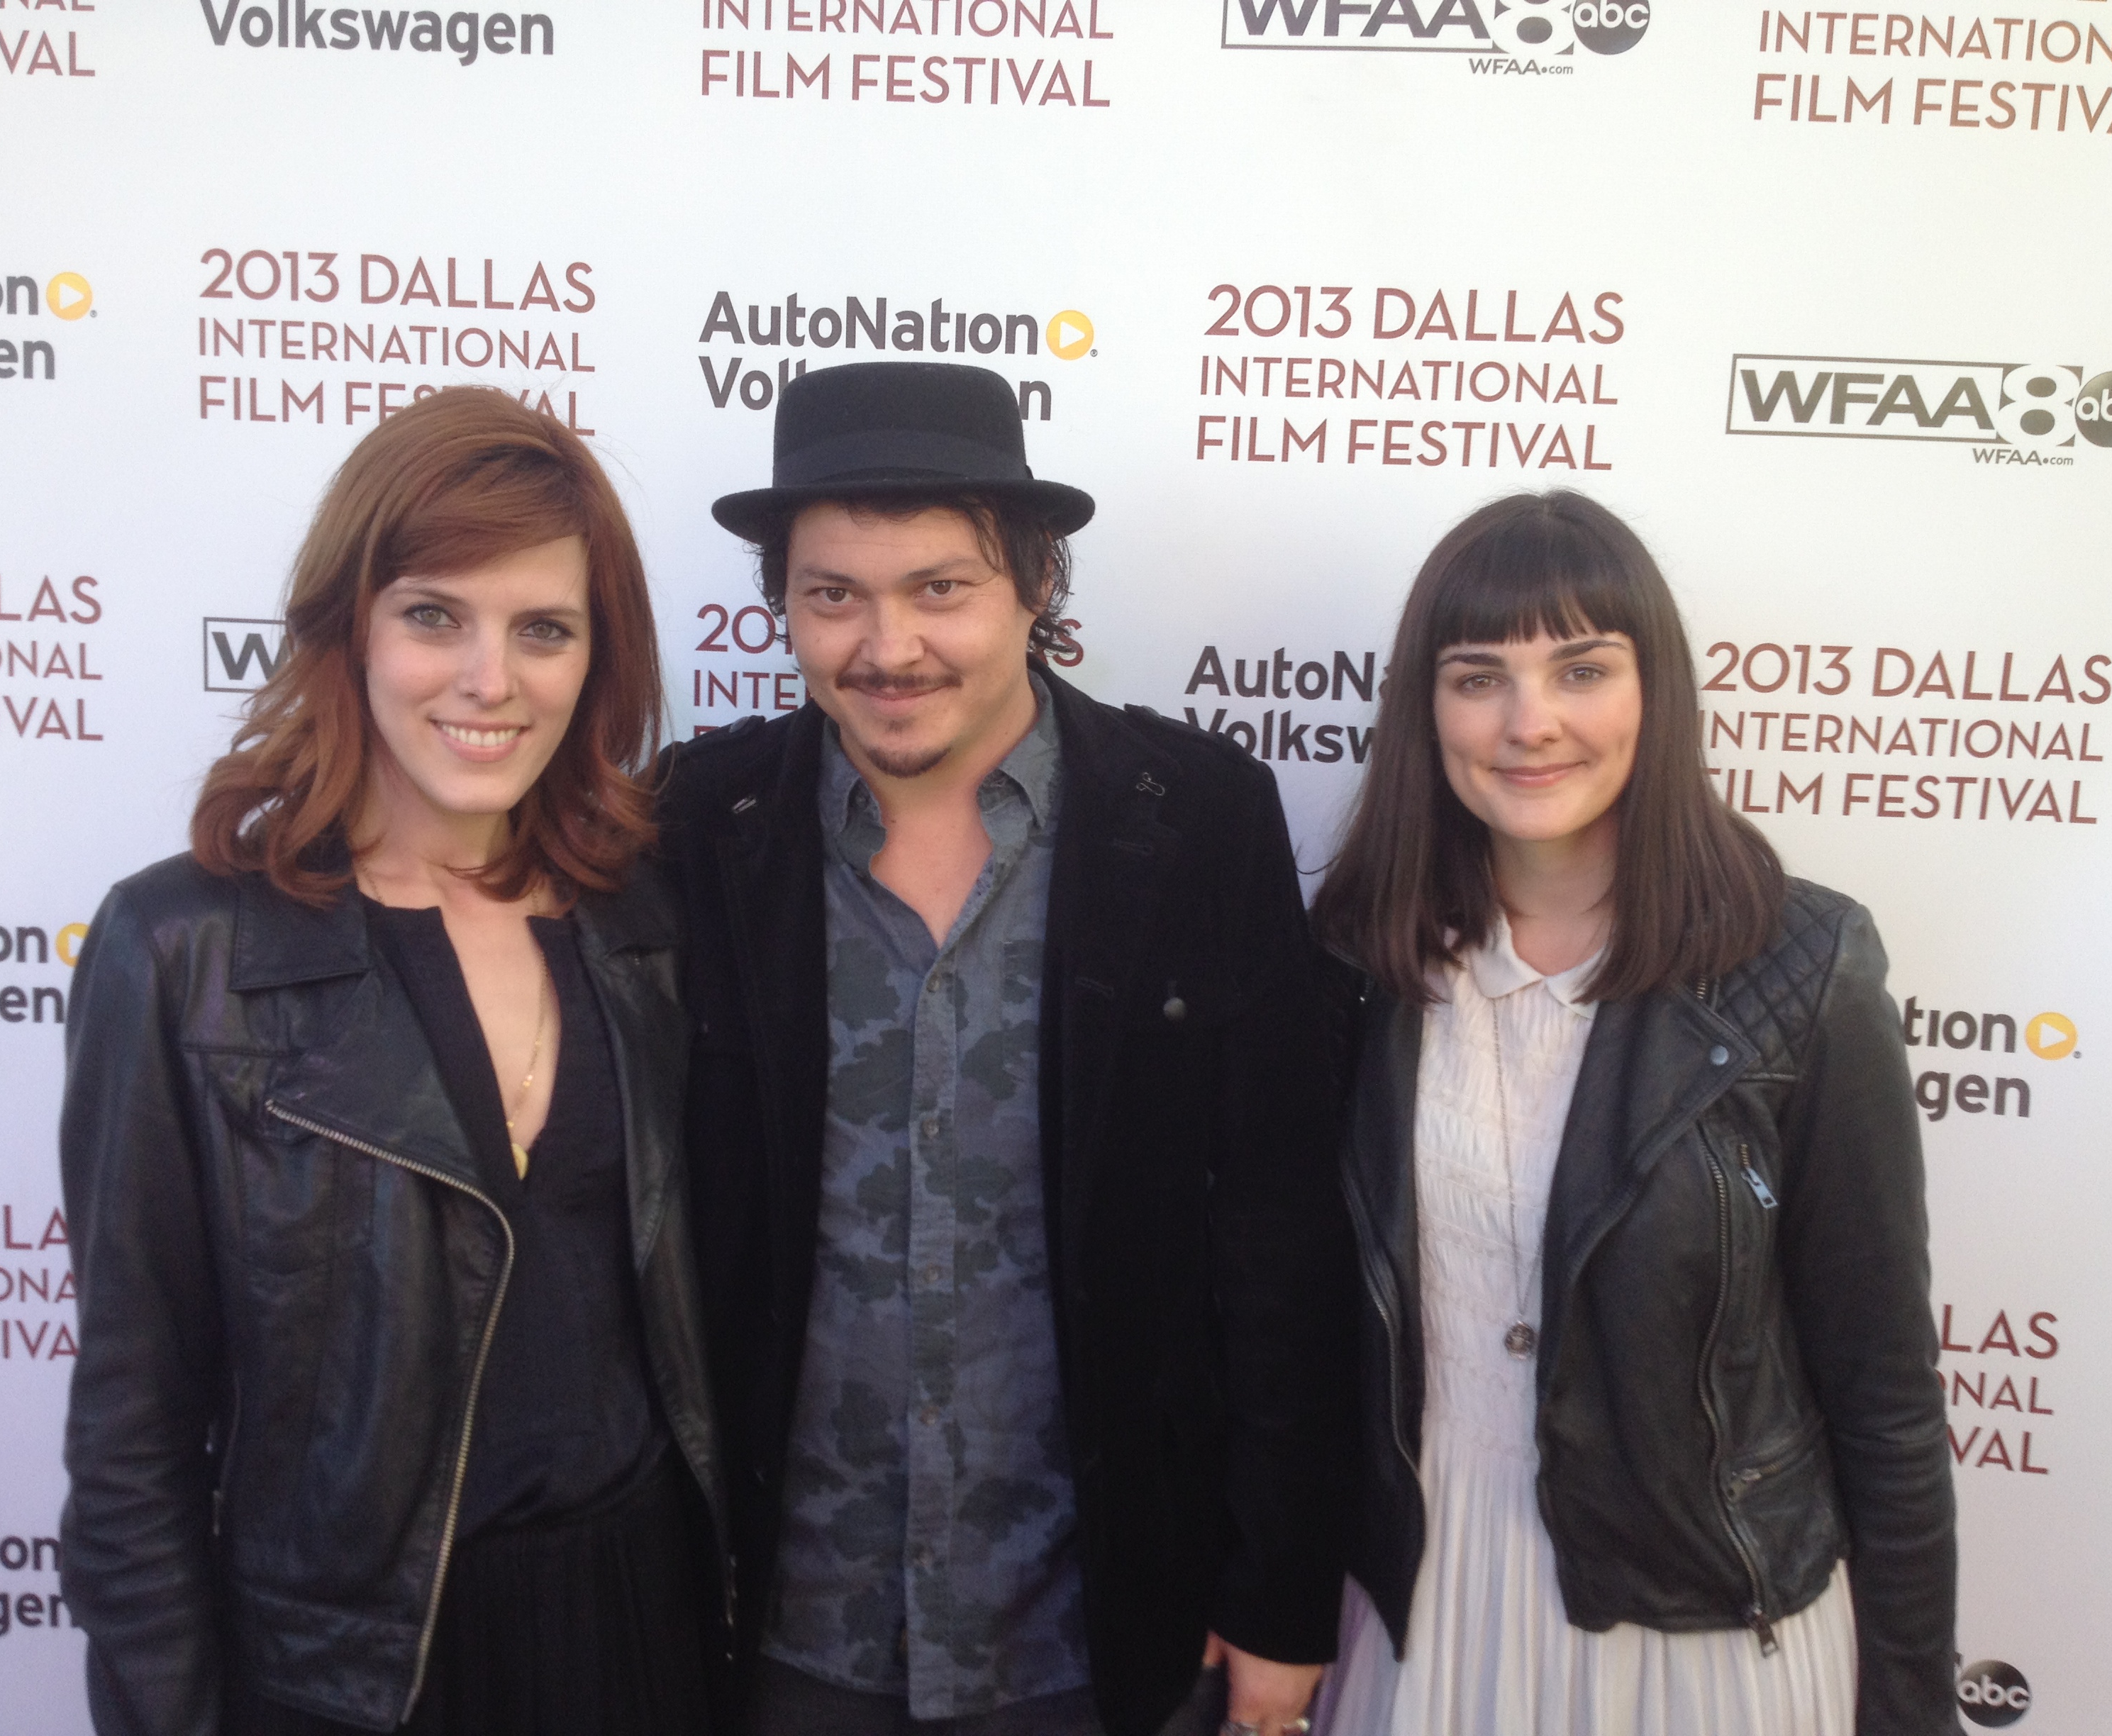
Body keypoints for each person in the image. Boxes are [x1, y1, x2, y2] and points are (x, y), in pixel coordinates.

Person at [652, 360, 1355, 1736]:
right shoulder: (699, 824)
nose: (886, 645)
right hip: (782, 1643)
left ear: (1039, 590)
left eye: (941, 589)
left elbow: (1281, 1236)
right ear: (782, 607)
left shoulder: (1199, 821)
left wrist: (1281, 1597)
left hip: (1097, 1637)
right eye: (833, 594)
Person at [58, 388, 726, 1736]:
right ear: (347, 625)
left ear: (597, 662)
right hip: (355, 1674)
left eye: (544, 629)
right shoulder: (181, 946)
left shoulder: (645, 918)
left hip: (642, 1629)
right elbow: (133, 1434)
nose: (491, 680)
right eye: (436, 615)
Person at [1307, 491, 1957, 1736]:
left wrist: (1913, 1707)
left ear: (1654, 692)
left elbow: (1883, 1385)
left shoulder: (1804, 965)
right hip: (1417, 1611)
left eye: (1582, 669)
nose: (1529, 722)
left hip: (1706, 1639)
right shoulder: (1352, 965)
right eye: (1477, 675)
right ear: (1423, 708)